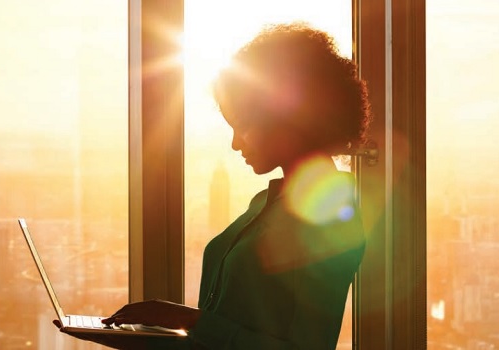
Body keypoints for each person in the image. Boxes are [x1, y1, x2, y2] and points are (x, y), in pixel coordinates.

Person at [59, 21, 372, 350]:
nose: (236, 144)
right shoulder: (265, 204)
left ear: (286, 118)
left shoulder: (332, 217)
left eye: (243, 126)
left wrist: (189, 320)